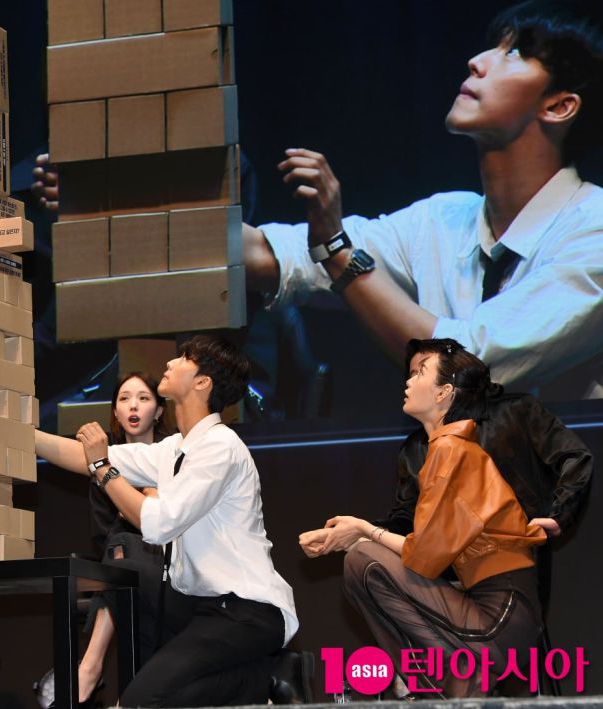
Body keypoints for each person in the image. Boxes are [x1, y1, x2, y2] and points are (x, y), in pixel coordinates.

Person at [243, 0, 603, 397]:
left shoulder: (594, 229)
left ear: (558, 106)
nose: (476, 62)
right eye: (494, 46)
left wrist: (338, 253)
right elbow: (275, 256)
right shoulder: (443, 218)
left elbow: (471, 368)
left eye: (514, 53)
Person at [37, 335, 306, 707]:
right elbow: (81, 456)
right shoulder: (174, 448)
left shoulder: (220, 446)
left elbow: (158, 523)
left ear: (202, 382)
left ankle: (264, 677)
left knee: (140, 701)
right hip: (203, 605)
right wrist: (19, 434)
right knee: (168, 696)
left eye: (183, 359)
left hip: (246, 609)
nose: (169, 363)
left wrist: (102, 466)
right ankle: (264, 678)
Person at [299, 340, 549, 696]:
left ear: (444, 393)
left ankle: (443, 680)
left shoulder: (450, 450)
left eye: (420, 373)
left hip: (501, 617)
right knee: (363, 558)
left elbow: (425, 557)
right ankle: (448, 682)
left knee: (364, 559)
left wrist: (363, 530)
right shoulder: (448, 449)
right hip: (500, 611)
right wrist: (358, 534)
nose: (408, 381)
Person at [375, 338, 593, 611]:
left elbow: (574, 456)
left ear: (446, 385)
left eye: (422, 371)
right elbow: (406, 517)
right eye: (411, 373)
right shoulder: (414, 449)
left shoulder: (516, 411)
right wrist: (366, 533)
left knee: (518, 633)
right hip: (444, 573)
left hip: (512, 561)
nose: (410, 382)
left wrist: (560, 513)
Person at [35, 371, 171, 707]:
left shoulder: (172, 455)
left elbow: (169, 520)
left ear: (159, 410)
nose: (133, 406)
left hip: (171, 562)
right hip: (124, 565)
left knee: (124, 554)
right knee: (122, 551)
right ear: (115, 412)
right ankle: (121, 689)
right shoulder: (101, 463)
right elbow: (104, 533)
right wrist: (136, 505)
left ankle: (90, 666)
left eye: (143, 398)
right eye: (124, 399)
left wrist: (136, 507)